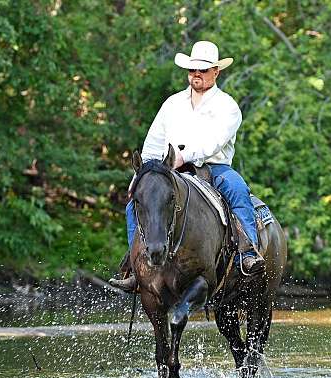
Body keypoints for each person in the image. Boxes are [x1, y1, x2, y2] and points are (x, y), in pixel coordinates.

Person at [110, 41, 264, 291]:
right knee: (134, 205)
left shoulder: (227, 106)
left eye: (203, 70)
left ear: (216, 72)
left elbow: (215, 141)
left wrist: (185, 155)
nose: (197, 74)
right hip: (171, 171)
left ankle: (247, 254)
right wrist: (142, 173)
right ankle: (136, 266)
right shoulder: (172, 104)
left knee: (237, 190)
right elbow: (153, 143)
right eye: (193, 70)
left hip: (214, 168)